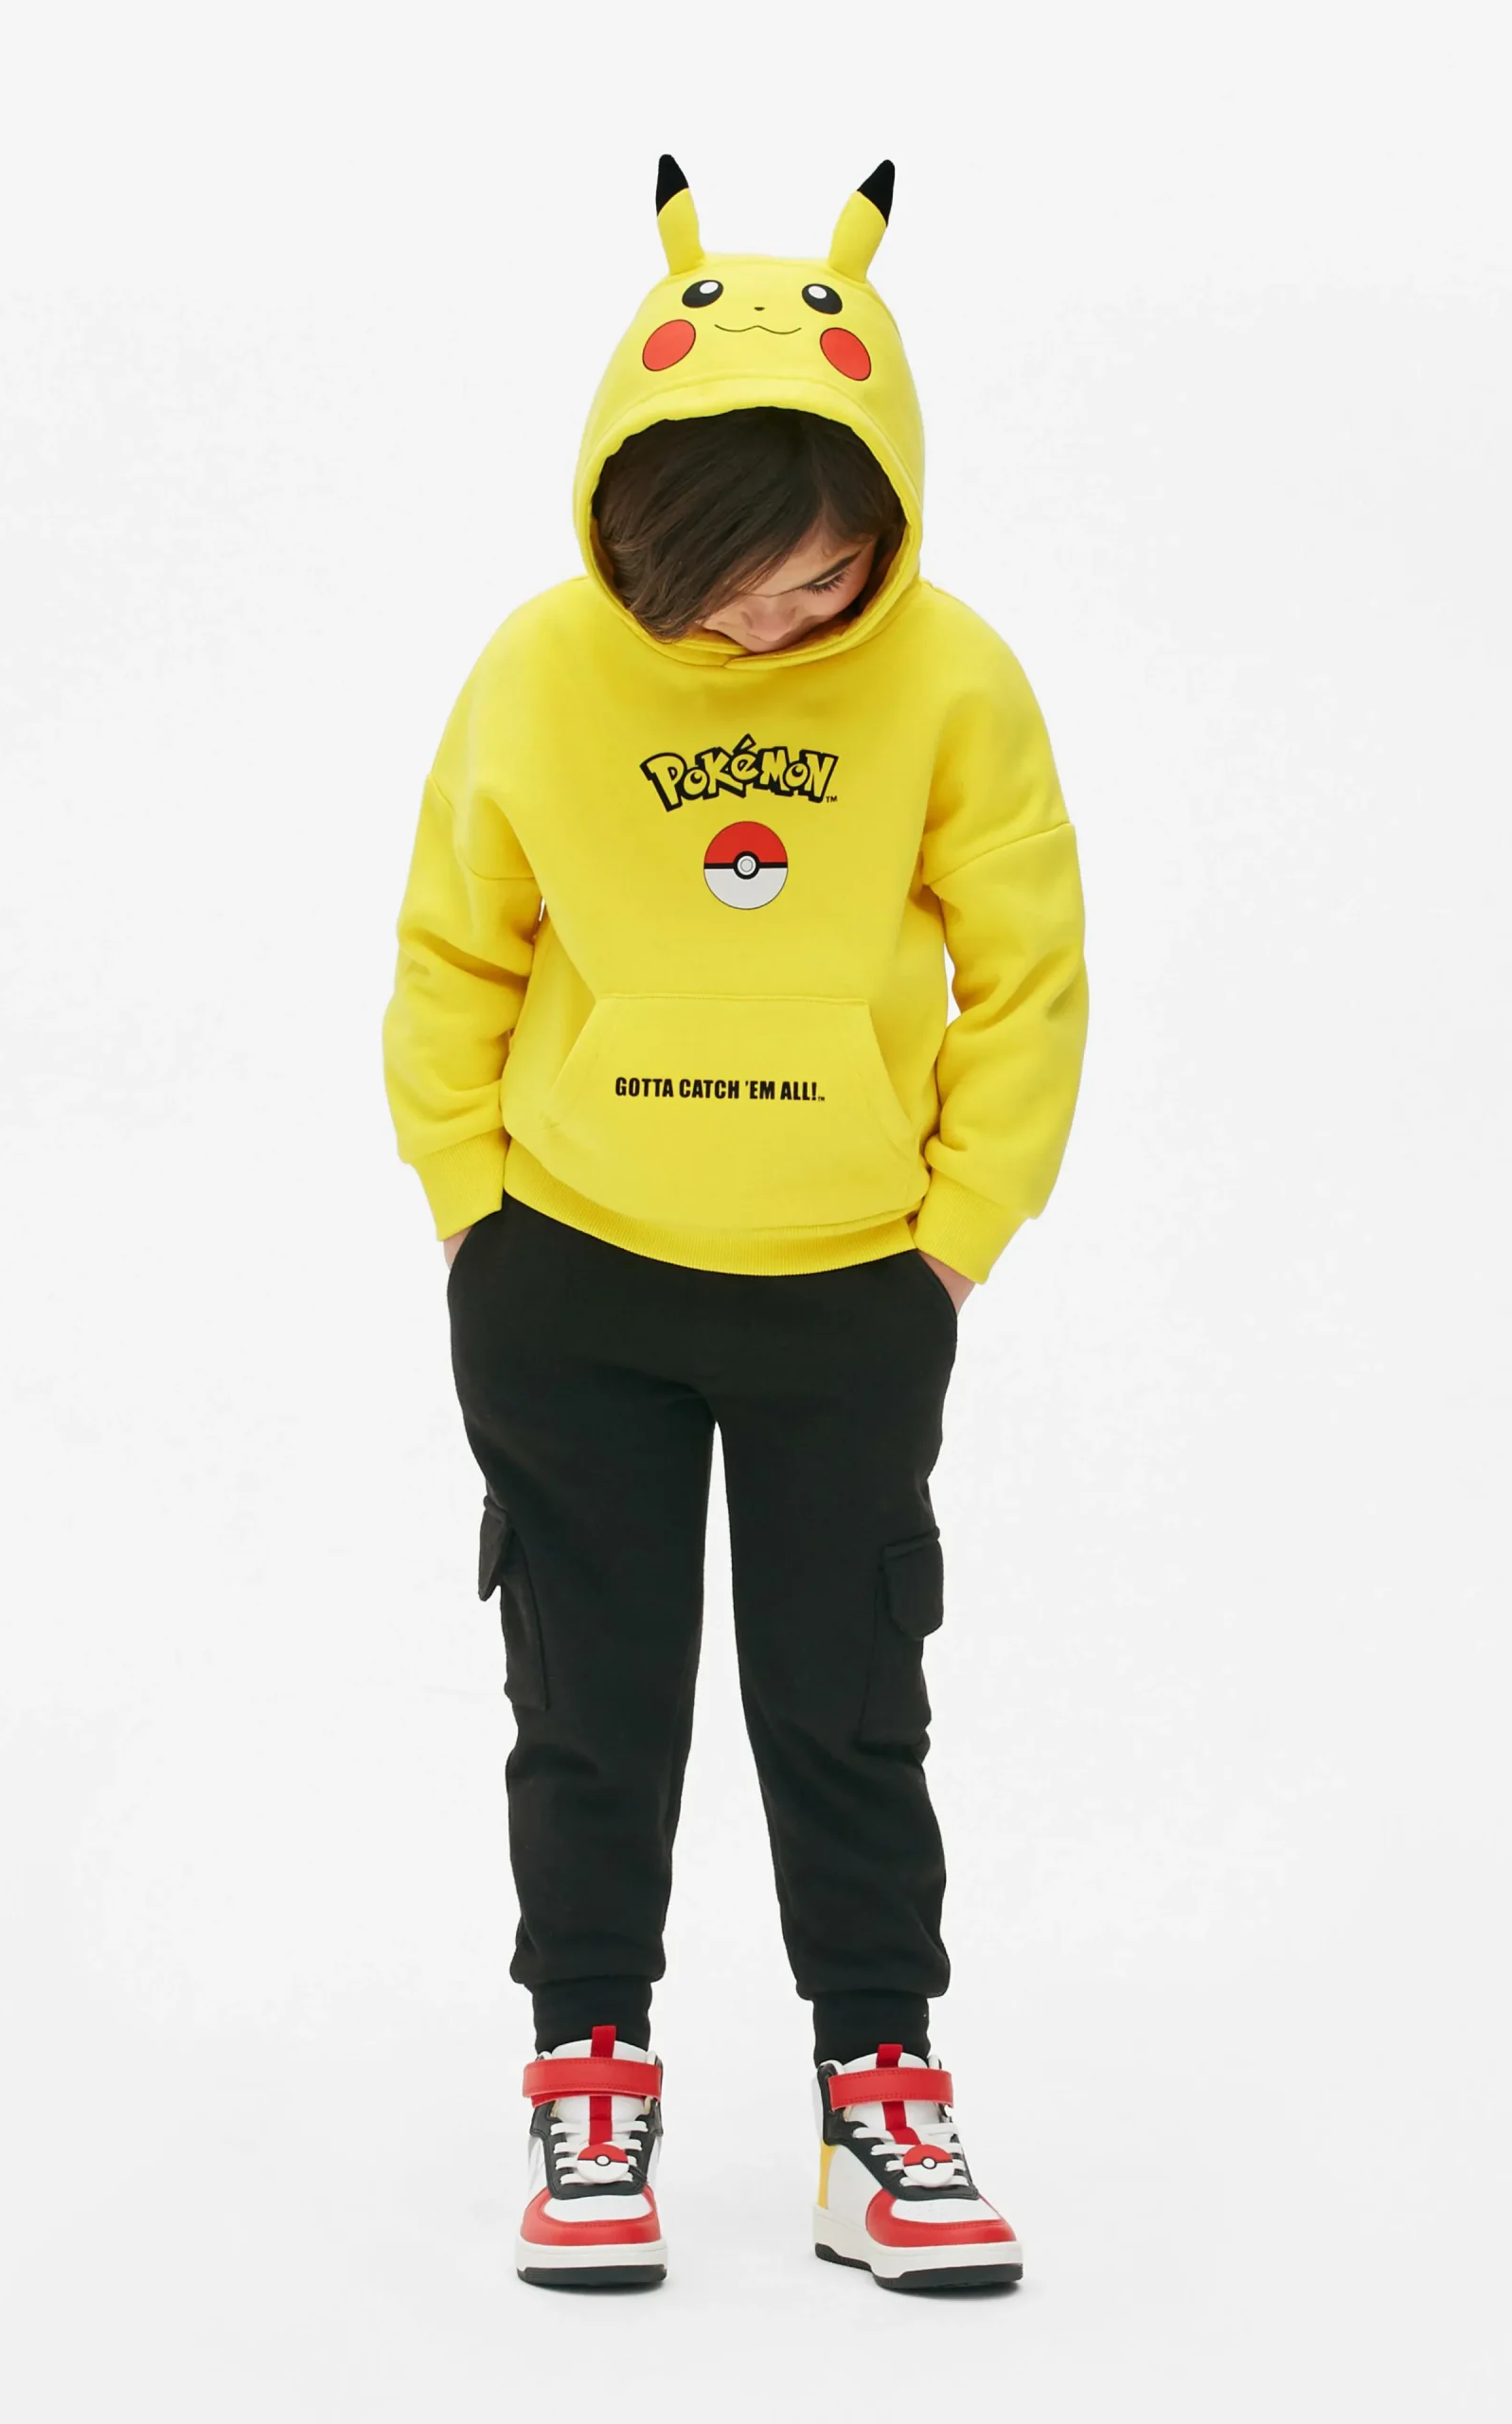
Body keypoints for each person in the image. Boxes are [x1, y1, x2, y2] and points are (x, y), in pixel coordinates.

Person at [382, 155, 1090, 2293]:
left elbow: (1029, 972)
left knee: (847, 1705)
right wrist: (472, 1205)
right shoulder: (540, 668)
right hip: (572, 1276)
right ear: (636, 508)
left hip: (849, 1288)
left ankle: (882, 2101)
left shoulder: (951, 678)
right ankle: (587, 2083)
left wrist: (955, 1230)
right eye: (731, 584)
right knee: (592, 1702)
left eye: (824, 578)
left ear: (888, 523)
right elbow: (456, 946)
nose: (773, 626)